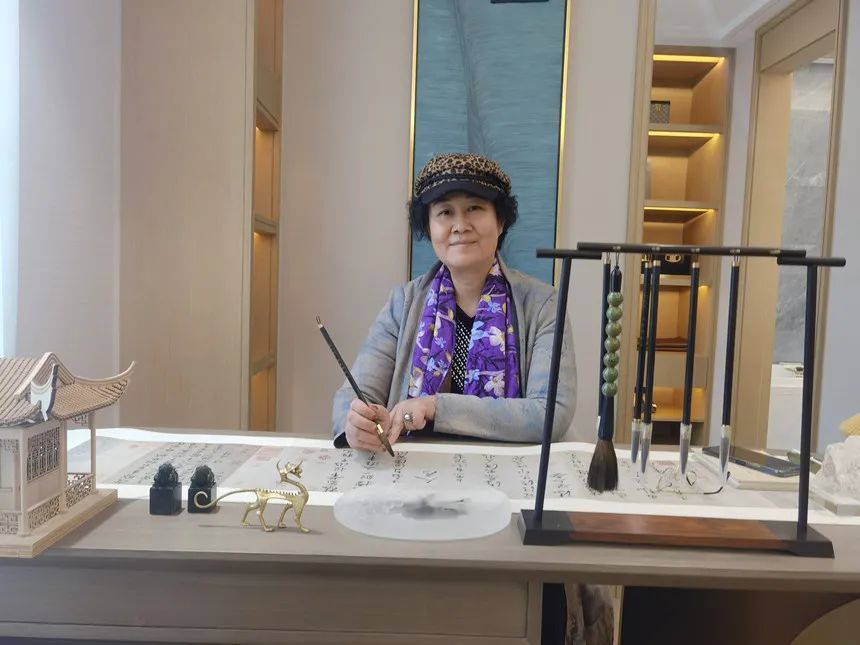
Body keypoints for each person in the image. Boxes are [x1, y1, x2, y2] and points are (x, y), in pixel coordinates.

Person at [331, 152, 576, 450]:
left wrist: (435, 407)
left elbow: (551, 412)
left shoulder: (542, 305)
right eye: (445, 212)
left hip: (506, 472)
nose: (460, 225)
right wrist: (357, 423)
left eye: (474, 208)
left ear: (500, 221)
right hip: (416, 470)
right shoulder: (402, 304)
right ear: (429, 227)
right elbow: (352, 397)